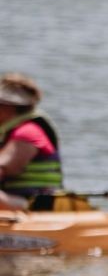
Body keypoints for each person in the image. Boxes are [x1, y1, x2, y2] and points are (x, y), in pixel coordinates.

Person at [0, 74, 64, 212]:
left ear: (7, 107)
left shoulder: (28, 131)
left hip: (33, 204)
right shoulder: (8, 131)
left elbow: (6, 167)